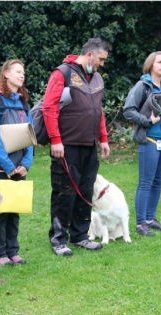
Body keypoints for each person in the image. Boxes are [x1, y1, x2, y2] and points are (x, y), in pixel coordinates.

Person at [43, 37, 112, 256]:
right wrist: (55, 140)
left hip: (90, 145)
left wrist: (103, 137)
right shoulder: (62, 73)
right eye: (101, 59)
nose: (102, 63)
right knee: (65, 192)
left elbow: (98, 110)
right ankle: (58, 238)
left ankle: (80, 235)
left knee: (84, 190)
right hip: (67, 145)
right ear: (89, 54)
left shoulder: (98, 78)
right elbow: (49, 108)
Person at [123, 51, 161, 235]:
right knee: (145, 182)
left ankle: (150, 218)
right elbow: (128, 110)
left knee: (157, 181)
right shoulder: (142, 86)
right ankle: (140, 223)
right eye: (160, 62)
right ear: (150, 64)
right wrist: (148, 121)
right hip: (149, 140)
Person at [0, 59, 34, 265]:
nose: (22, 76)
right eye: (18, 72)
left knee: (15, 210)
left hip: (20, 167)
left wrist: (26, 163)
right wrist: (8, 166)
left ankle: (13, 251)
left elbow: (30, 136)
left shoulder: (23, 103)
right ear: (6, 74)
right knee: (0, 213)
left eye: (23, 72)